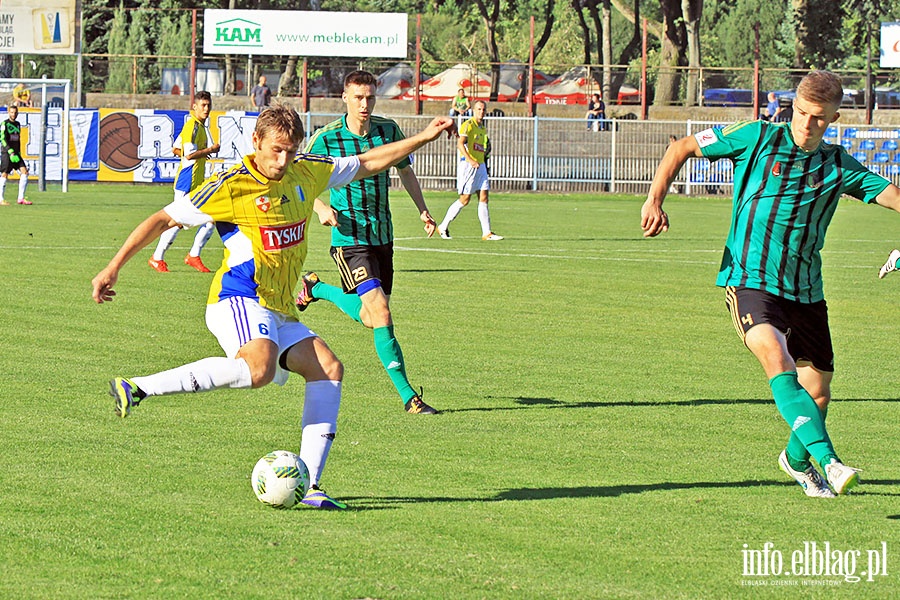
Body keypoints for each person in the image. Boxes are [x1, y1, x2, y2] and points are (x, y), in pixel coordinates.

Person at [91, 105, 455, 510]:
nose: (283, 160)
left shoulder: (306, 169)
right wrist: (113, 267)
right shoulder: (231, 184)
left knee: (328, 368)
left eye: (291, 151)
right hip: (239, 297)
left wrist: (423, 137)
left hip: (279, 305)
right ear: (256, 143)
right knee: (259, 369)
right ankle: (139, 387)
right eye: (276, 150)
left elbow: (368, 161)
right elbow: (162, 219)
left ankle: (311, 486)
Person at [640, 70, 900, 498]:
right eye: (800, 112)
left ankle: (796, 460)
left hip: (806, 291)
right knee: (776, 358)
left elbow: (891, 195)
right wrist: (655, 197)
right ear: (792, 107)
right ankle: (830, 462)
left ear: (833, 119)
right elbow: (683, 146)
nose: (806, 123)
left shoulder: (838, 165)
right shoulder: (756, 137)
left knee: (818, 392)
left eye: (818, 117)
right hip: (749, 279)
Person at [300, 70, 439, 415]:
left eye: (370, 97)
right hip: (349, 238)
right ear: (344, 97)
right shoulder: (326, 139)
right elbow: (300, 182)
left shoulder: (388, 131)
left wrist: (423, 210)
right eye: (358, 97)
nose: (364, 104)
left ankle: (315, 289)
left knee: (369, 317)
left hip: (382, 234)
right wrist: (321, 207)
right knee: (381, 313)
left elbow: (405, 170)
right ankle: (410, 397)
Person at [149, 91, 221, 273]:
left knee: (211, 218)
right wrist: (209, 149)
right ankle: (157, 258)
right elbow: (189, 154)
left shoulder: (197, 126)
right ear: (194, 107)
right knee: (177, 221)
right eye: (203, 105)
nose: (206, 108)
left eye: (208, 105)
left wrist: (200, 152)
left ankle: (193, 256)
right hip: (186, 181)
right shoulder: (193, 127)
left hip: (196, 181)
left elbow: (176, 148)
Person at [437, 100, 502, 241]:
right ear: (473, 110)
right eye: (479, 109)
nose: (481, 112)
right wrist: (470, 160)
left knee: (484, 197)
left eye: (483, 110)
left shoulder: (482, 128)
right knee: (465, 199)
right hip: (469, 166)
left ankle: (487, 233)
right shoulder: (468, 125)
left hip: (480, 165)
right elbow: (460, 144)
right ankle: (443, 226)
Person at [0, 105, 31, 205]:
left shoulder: (18, 124)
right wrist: (10, 151)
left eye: (15, 113)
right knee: (5, 174)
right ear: (9, 112)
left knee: (24, 172)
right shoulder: (5, 124)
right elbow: (2, 139)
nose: (14, 114)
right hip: (7, 153)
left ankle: (21, 198)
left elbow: (17, 140)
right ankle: (1, 199)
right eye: (12, 112)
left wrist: (18, 152)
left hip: (16, 154)